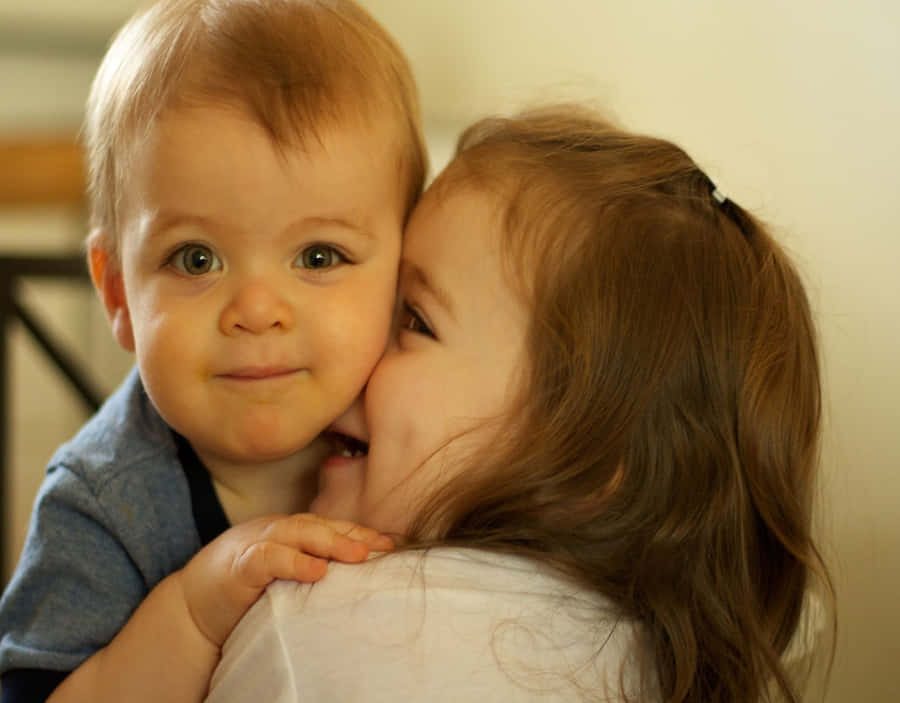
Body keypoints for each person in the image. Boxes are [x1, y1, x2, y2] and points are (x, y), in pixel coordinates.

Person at [208, 106, 834, 702]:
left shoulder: (316, 633)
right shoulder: (665, 659)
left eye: (414, 320)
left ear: (585, 460)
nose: (357, 344)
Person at [0, 0, 426, 701]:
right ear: (117, 295)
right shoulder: (102, 505)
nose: (256, 310)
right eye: (195, 259)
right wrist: (194, 612)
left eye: (319, 255)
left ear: (405, 272)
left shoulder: (425, 433)